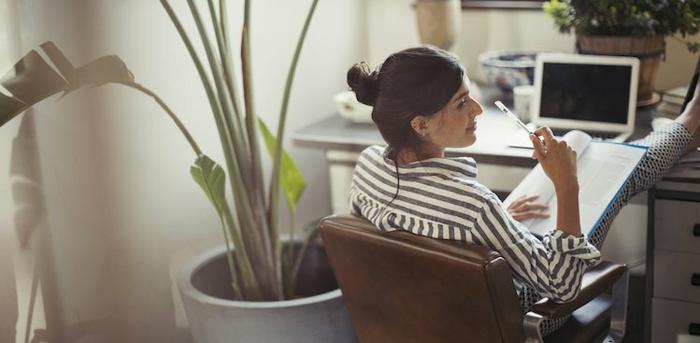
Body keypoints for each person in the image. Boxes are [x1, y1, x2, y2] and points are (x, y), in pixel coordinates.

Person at [346, 46, 700, 336]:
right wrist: (566, 185)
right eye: (460, 102)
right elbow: (562, 287)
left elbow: (408, 238)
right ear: (420, 124)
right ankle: (688, 124)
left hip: (423, 321)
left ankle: (686, 128)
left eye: (470, 95)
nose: (477, 109)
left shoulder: (368, 166)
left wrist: (484, 230)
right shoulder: (475, 207)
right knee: (617, 180)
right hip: (510, 321)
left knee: (600, 176)